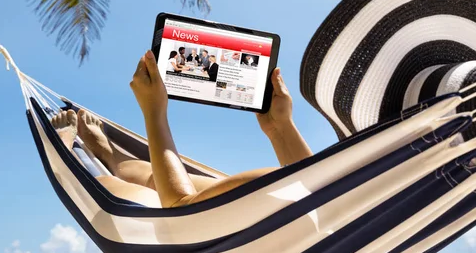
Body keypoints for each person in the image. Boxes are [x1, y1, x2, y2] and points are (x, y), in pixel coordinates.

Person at [53, 50, 312, 208]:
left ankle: (79, 161)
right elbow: (317, 192)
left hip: (252, 228)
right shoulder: (344, 202)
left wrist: (154, 112)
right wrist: (280, 127)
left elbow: (179, 206)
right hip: (290, 209)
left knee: (145, 193)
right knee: (226, 188)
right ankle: (112, 156)